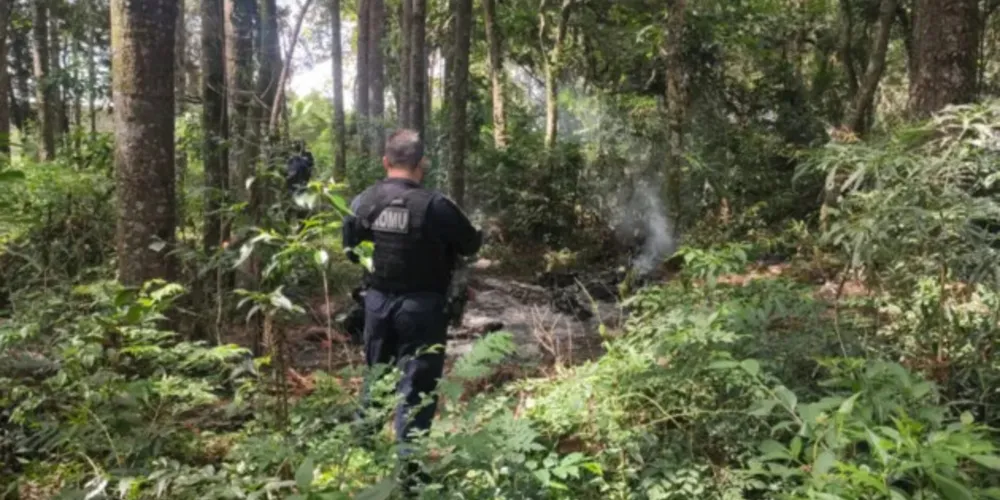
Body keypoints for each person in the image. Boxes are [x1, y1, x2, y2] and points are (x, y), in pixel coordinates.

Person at [340, 129, 482, 490]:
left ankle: (361, 456)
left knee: (377, 375)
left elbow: (349, 246)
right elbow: (470, 243)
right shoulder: (436, 205)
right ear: (422, 165)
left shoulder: (363, 201)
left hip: (376, 304)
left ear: (385, 162)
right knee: (417, 386)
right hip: (422, 307)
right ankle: (410, 472)